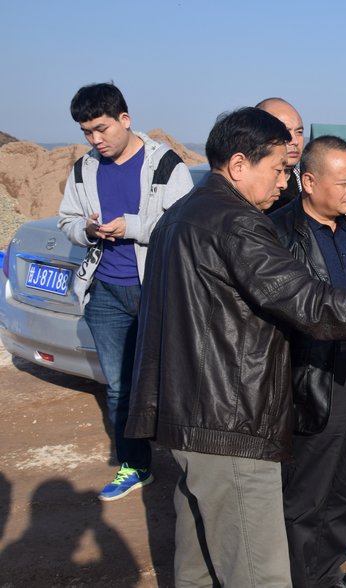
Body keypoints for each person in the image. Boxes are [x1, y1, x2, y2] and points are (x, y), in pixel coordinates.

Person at [125, 107, 346, 588]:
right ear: (240, 164)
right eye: (278, 168)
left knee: (200, 562)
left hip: (194, 413)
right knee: (259, 568)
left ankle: (326, 575)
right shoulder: (240, 223)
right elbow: (308, 301)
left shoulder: (181, 215)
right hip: (230, 419)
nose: (282, 181)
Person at [57, 82, 193, 501]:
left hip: (158, 290)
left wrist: (130, 226)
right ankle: (135, 465)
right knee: (118, 387)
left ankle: (195, 469)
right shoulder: (84, 169)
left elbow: (184, 224)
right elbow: (66, 220)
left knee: (177, 383)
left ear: (125, 119)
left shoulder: (166, 165)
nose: (95, 140)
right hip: (106, 293)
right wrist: (86, 229)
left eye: (102, 129)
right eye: (87, 132)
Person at [270, 136, 346, 588]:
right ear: (308, 181)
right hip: (316, 372)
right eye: (343, 182)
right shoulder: (280, 232)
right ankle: (301, 579)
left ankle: (328, 573)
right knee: (309, 488)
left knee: (344, 482)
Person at [258, 97, 306, 212]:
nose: (295, 141)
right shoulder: (241, 189)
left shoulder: (311, 185)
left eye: (299, 132)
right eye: (285, 132)